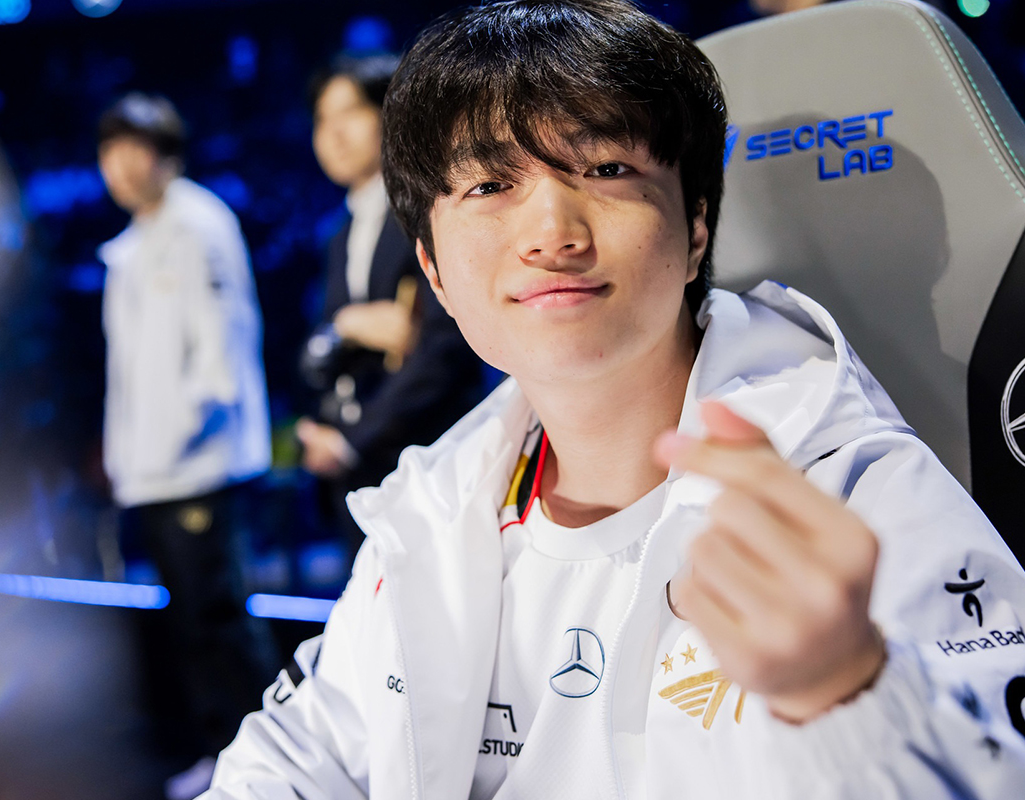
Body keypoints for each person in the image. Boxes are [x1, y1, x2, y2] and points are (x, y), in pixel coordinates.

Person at [203, 2, 1025, 797]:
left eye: (606, 169)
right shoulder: (430, 509)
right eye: (489, 185)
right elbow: (294, 759)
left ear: (696, 229)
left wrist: (852, 695)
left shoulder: (847, 491)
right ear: (434, 272)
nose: (551, 233)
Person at [95, 93, 277, 800]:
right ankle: (221, 751)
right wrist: (128, 458)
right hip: (153, 471)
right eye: (108, 152)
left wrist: (179, 434)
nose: (118, 167)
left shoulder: (199, 223)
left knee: (222, 620)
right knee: (193, 623)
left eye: (133, 150)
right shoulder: (134, 242)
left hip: (201, 465)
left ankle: (267, 763)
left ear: (166, 156)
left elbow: (220, 349)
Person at [297, 53, 487, 557]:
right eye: (322, 119)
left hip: (427, 460)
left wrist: (352, 442)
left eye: (350, 113)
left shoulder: (430, 212)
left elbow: (443, 353)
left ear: (390, 115)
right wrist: (347, 326)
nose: (334, 133)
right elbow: (315, 350)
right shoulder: (339, 235)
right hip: (355, 470)